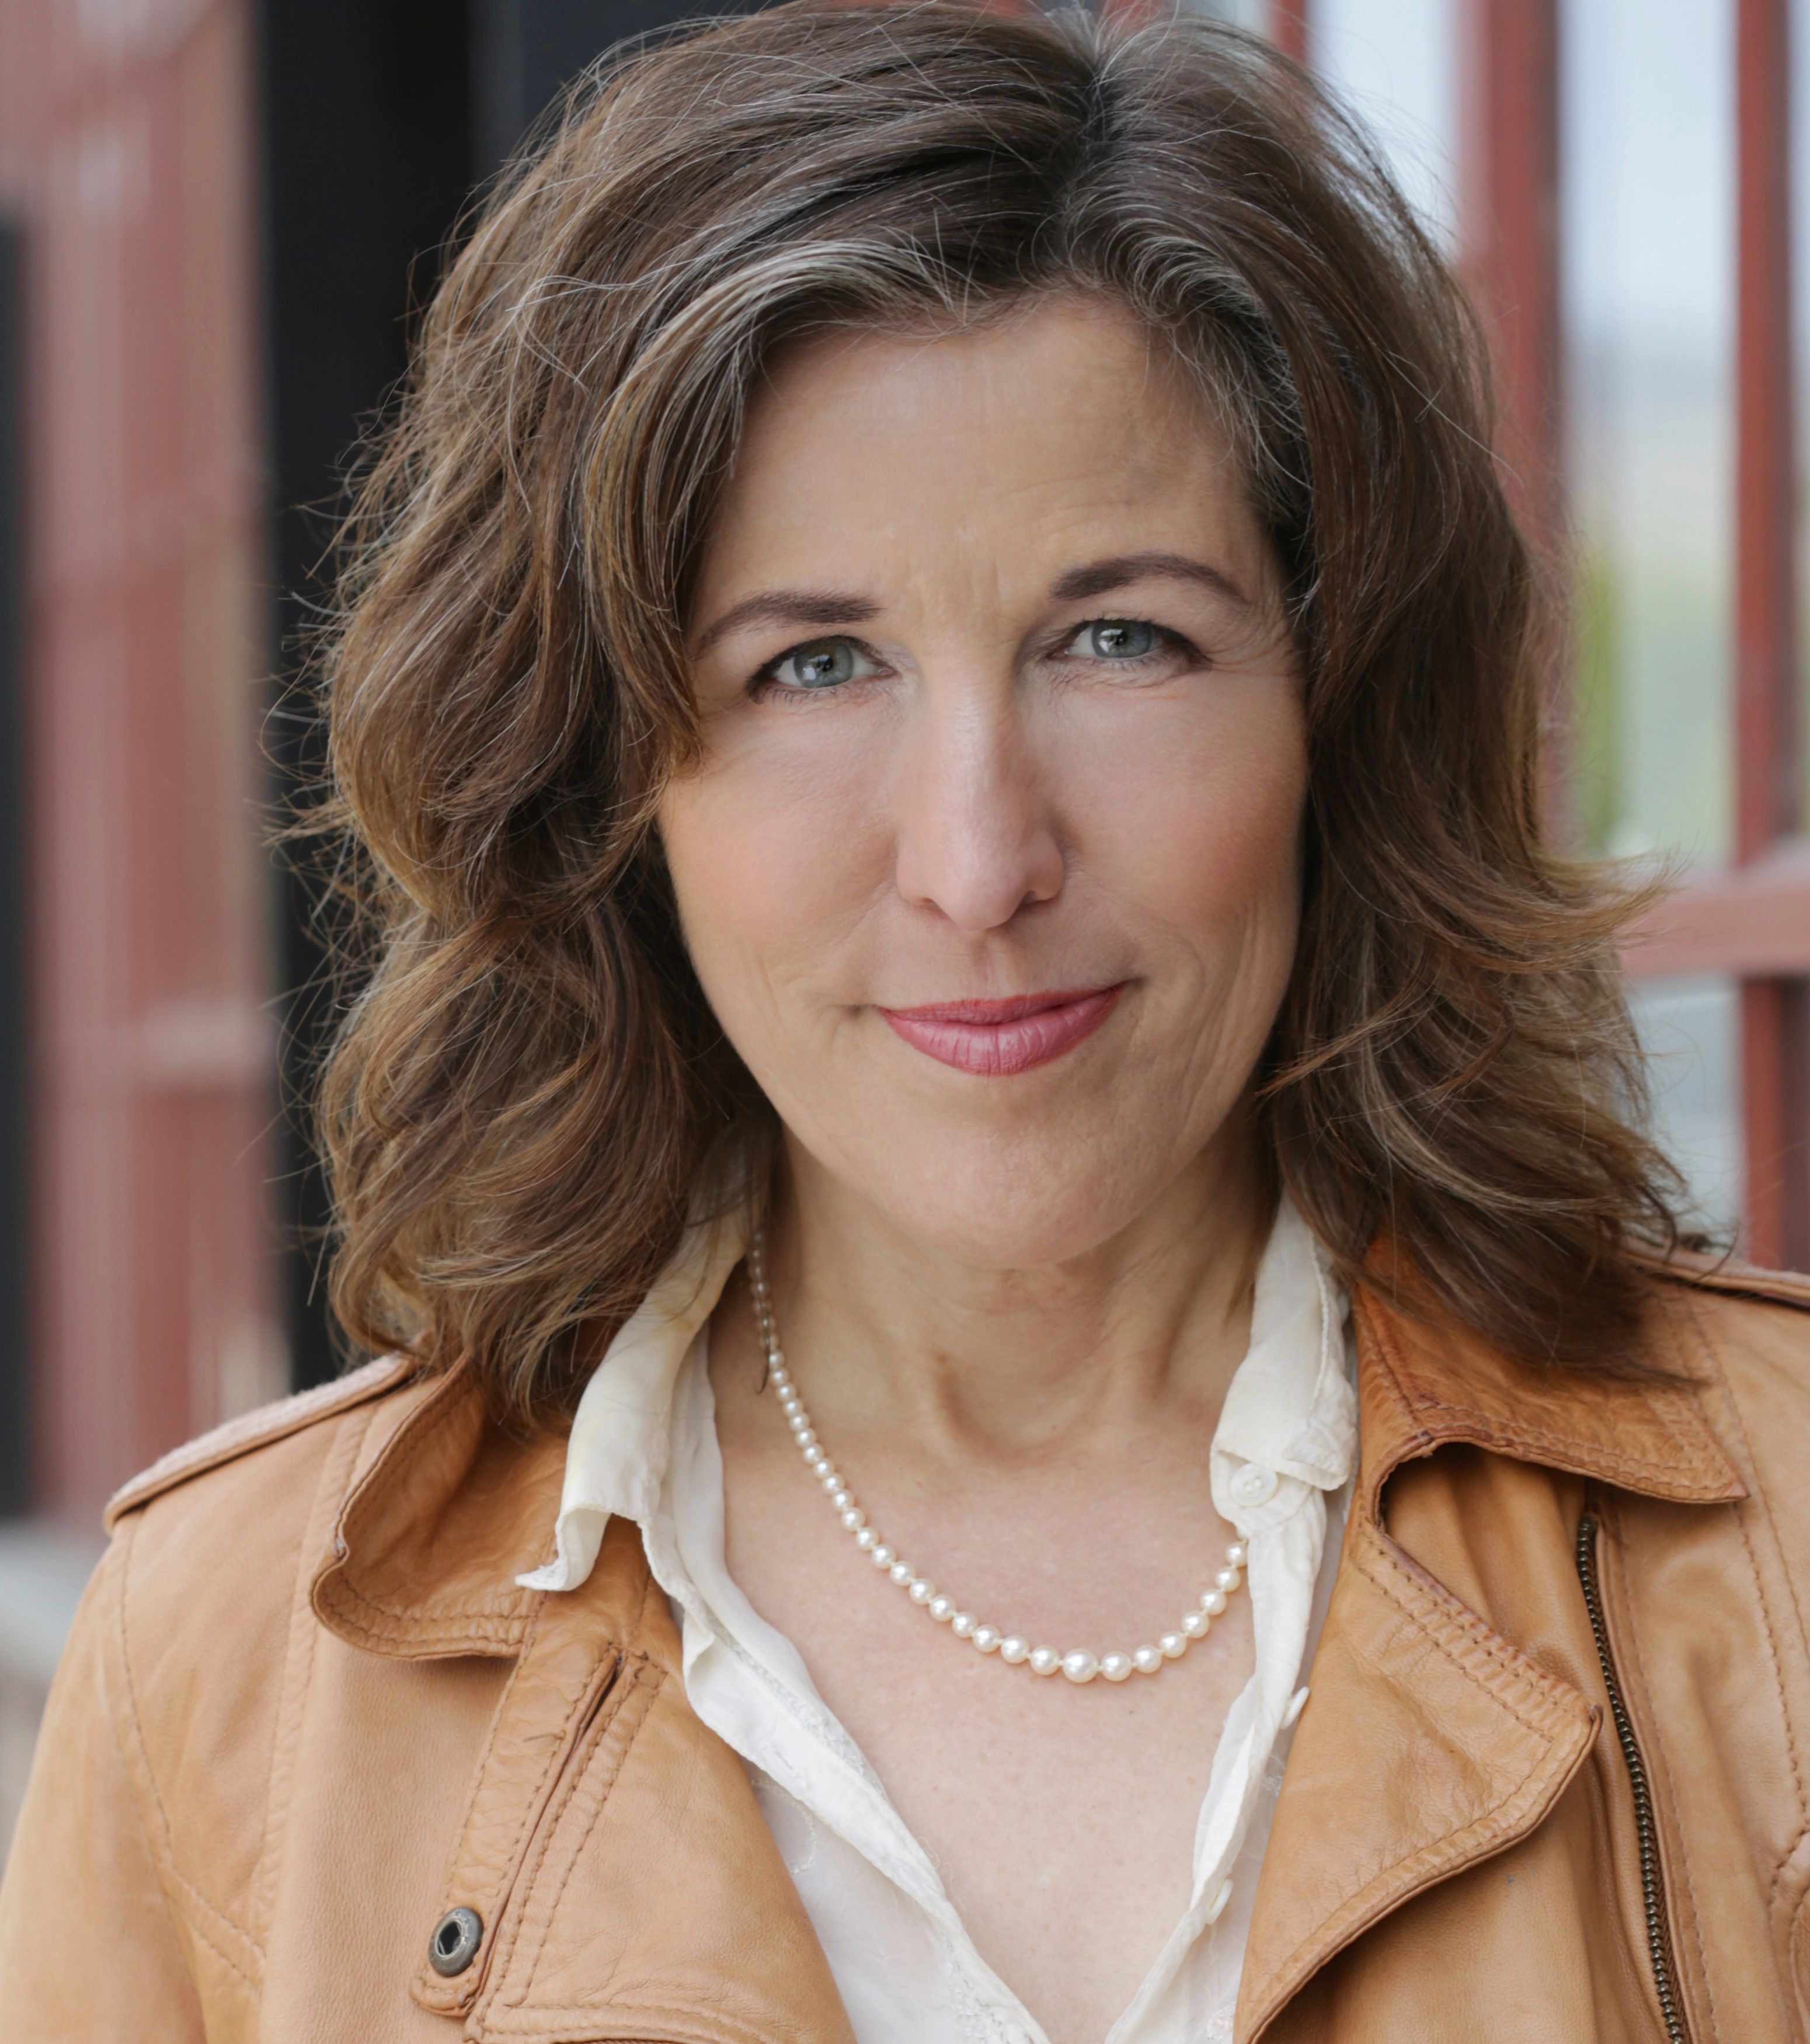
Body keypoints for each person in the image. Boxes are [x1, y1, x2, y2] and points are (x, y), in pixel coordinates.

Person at [3, 6, 1806, 2039]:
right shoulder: (214, 1671)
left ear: (1337, 713)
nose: (976, 859)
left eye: (1120, 637)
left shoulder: (1783, 1544)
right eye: (810, 666)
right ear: (609, 778)